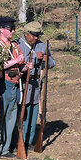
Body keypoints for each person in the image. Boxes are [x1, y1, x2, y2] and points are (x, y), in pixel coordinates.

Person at [18, 21, 56, 152]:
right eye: (33, 35)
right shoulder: (18, 45)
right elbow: (19, 62)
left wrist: (46, 59)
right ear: (26, 34)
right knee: (22, 114)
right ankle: (17, 140)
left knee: (34, 113)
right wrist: (34, 57)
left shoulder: (42, 46)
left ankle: (29, 141)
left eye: (38, 35)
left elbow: (52, 64)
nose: (36, 38)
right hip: (21, 83)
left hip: (36, 84)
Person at [0, 17, 27, 157]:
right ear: (2, 29)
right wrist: (16, 61)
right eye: (10, 29)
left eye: (13, 29)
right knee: (0, 116)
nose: (12, 31)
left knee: (11, 117)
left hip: (15, 83)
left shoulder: (14, 45)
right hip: (3, 84)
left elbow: (21, 61)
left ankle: (6, 148)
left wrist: (25, 67)